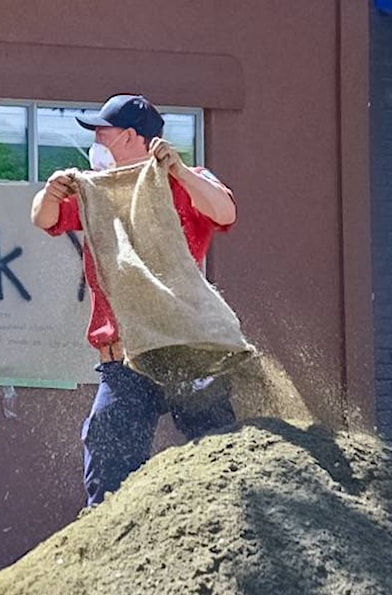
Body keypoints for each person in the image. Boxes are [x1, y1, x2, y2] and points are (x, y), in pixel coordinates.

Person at [30, 94, 238, 507]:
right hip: (124, 360)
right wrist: (50, 193)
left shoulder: (187, 178)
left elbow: (225, 211)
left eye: (102, 134)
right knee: (108, 465)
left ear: (129, 137)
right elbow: (44, 218)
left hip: (185, 349)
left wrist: (177, 169)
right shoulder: (96, 191)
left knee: (219, 454)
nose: (95, 143)